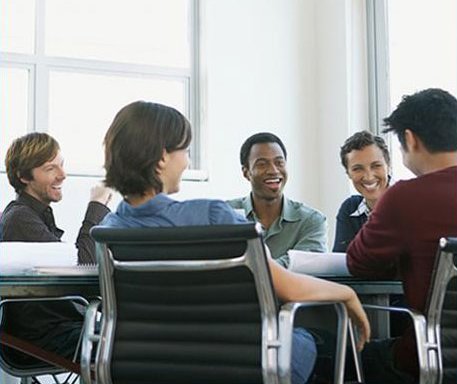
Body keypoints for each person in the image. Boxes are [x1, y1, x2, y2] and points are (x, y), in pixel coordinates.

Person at [100, 101, 370, 384]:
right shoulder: (213, 215)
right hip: (240, 364)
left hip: (142, 367)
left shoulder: (110, 230)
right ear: (162, 158)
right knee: (303, 339)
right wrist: (346, 294)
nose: (187, 161)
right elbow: (285, 286)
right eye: (184, 151)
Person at [346, 88, 457, 384]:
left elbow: (358, 263)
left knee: (344, 355)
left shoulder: (405, 198)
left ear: (410, 139)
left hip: (429, 356)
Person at [0, 132, 112, 362]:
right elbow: (83, 265)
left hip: (59, 328)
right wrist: (97, 206)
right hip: (39, 338)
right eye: (51, 168)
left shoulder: (32, 215)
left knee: (133, 336)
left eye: (62, 165)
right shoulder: (20, 218)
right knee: (134, 344)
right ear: (23, 176)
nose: (63, 175)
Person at [227, 133, 327, 268]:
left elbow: (307, 266)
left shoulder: (312, 220)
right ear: (246, 172)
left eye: (279, 163)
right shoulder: (227, 214)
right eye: (262, 164)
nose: (273, 170)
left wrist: (254, 268)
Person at [333, 131, 391, 252]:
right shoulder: (350, 209)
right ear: (348, 173)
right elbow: (341, 262)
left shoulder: (410, 202)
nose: (369, 177)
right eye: (357, 169)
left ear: (388, 166)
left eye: (376, 166)